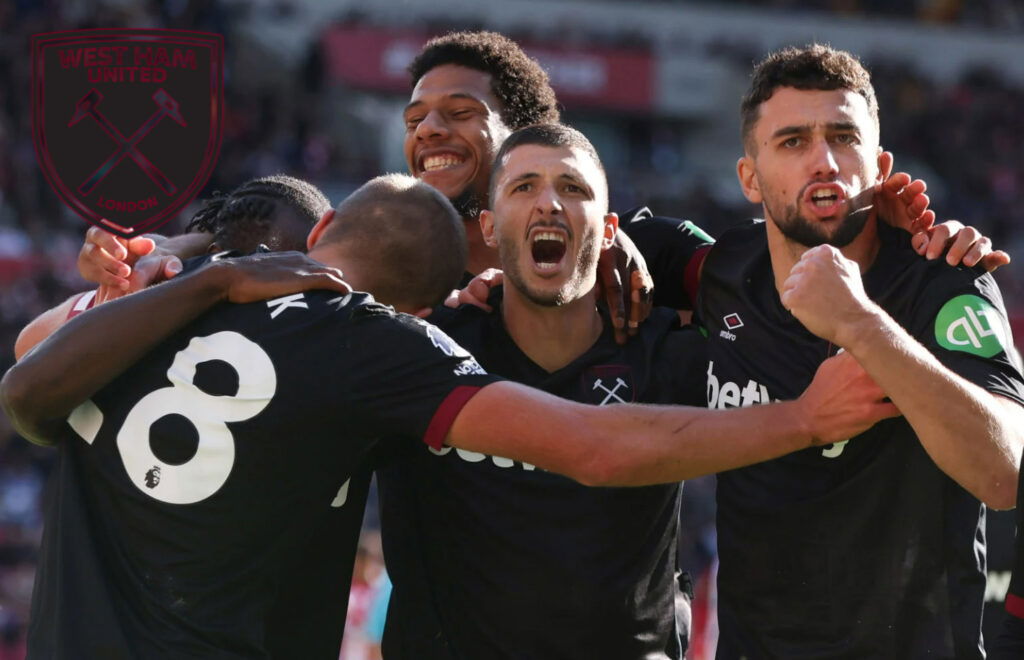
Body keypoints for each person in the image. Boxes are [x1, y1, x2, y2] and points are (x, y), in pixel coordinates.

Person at [2, 173, 896, 659]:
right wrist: (802, 419)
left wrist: (181, 261)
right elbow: (587, 443)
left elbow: (31, 360)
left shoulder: (156, 306)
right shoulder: (379, 344)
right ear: (428, 308)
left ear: (318, 242)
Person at [697, 44, 1024, 658]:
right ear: (749, 177)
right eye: (792, 142)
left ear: (879, 165)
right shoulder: (720, 274)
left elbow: (1006, 472)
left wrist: (861, 324)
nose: (823, 161)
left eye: (844, 138)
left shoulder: (945, 276)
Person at [378, 123, 707, 659]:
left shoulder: (666, 353)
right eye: (523, 186)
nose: (549, 203)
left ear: (608, 232)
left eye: (572, 188)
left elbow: (769, 309)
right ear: (488, 226)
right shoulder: (423, 352)